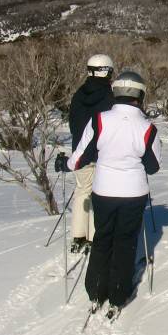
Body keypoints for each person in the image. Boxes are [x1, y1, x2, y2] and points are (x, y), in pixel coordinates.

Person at [56, 71, 161, 318]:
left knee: (103, 238)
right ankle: (117, 294)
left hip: (103, 190)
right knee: (125, 241)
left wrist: (65, 164)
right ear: (140, 95)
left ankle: (95, 291)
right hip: (133, 192)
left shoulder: (99, 120)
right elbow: (153, 167)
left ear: (116, 92)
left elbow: (82, 156)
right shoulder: (147, 127)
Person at [67, 54, 115, 253]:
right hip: (100, 153)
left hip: (79, 152)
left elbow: (72, 124)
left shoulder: (78, 94)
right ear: (106, 71)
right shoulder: (109, 96)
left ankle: (78, 235)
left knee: (82, 191)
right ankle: (95, 236)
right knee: (99, 194)